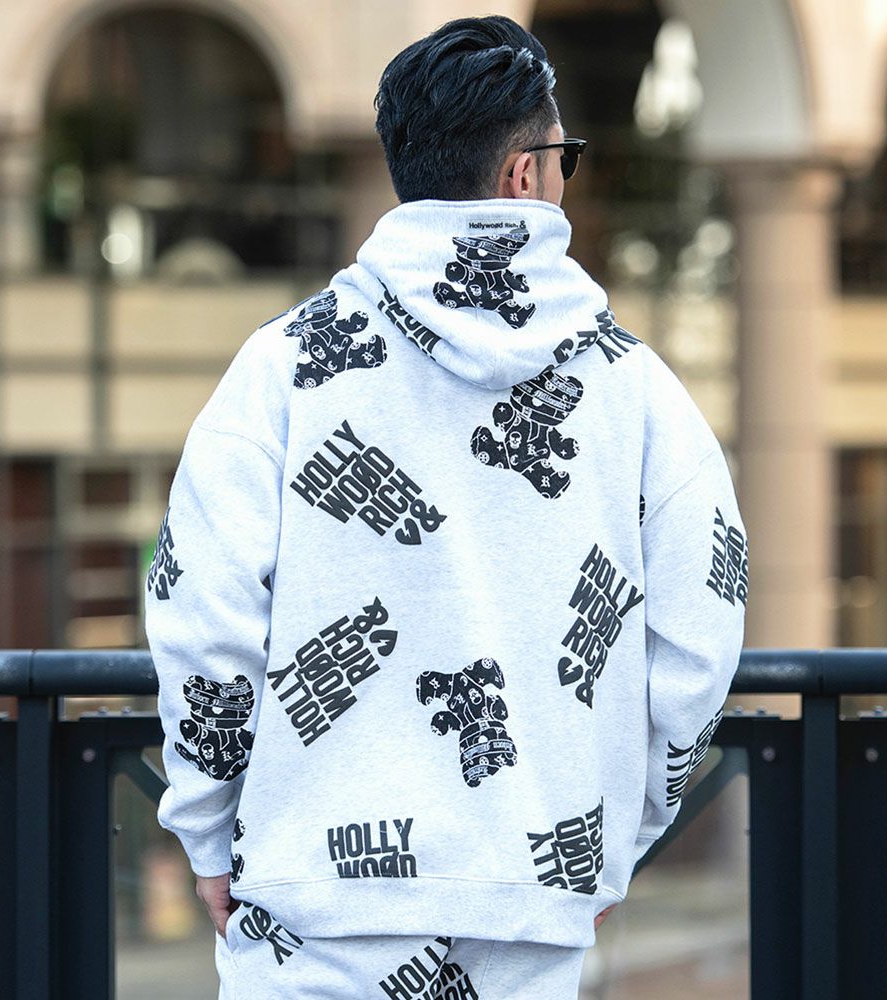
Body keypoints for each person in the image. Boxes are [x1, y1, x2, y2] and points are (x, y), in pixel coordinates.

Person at [144, 15, 747, 1000]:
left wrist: (207, 831)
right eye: (563, 158)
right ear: (524, 173)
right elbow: (697, 641)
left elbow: (203, 619)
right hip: (527, 908)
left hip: (310, 914)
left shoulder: (282, 367)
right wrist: (608, 843)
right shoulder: (636, 392)